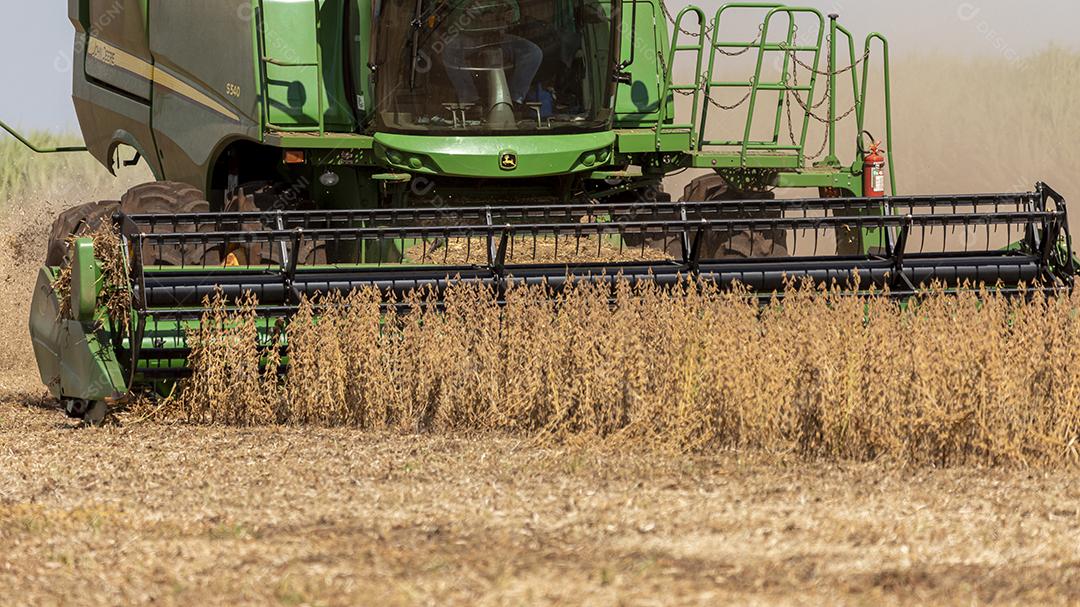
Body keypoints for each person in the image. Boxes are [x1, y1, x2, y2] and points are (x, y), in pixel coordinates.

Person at [440, 0, 543, 107]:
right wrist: (478, 15)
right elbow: (453, 17)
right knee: (450, 49)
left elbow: (514, 9)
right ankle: (469, 101)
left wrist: (510, 13)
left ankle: (514, 100)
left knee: (533, 52)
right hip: (468, 36)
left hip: (498, 37)